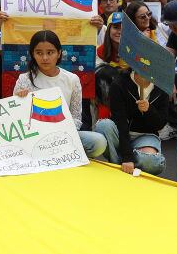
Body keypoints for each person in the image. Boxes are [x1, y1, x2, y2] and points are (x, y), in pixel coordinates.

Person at [13, 30, 107, 159]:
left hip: (63, 135)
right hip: (33, 137)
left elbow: (76, 118)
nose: (45, 58)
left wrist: (60, 134)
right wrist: (18, 100)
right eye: (39, 53)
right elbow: (16, 119)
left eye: (50, 52)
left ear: (59, 53)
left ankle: (59, 154)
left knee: (98, 142)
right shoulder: (24, 79)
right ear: (32, 54)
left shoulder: (72, 79)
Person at [95, 66, 170, 176]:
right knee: (103, 126)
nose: (145, 68)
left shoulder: (162, 87)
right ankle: (122, 162)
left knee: (153, 162)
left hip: (146, 136)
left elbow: (160, 124)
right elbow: (120, 121)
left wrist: (149, 110)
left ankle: (121, 163)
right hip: (120, 133)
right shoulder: (119, 83)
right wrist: (127, 157)